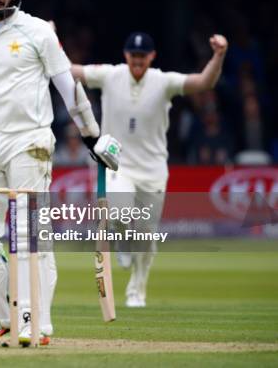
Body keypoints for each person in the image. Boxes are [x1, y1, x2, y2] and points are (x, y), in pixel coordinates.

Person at [0, 0, 121, 345]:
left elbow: (67, 86)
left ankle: (33, 318)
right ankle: (3, 314)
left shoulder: (37, 30)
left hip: (31, 139)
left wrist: (91, 135)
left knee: (25, 231)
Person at [71, 31, 228, 307]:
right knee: (118, 213)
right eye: (134, 55)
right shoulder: (110, 75)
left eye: (143, 56)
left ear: (152, 57)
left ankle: (136, 291)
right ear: (126, 55)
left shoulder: (163, 81)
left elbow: (204, 82)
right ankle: (121, 241)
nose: (138, 60)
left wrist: (219, 54)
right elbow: (70, 71)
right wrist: (51, 40)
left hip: (153, 169)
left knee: (145, 233)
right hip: (117, 163)